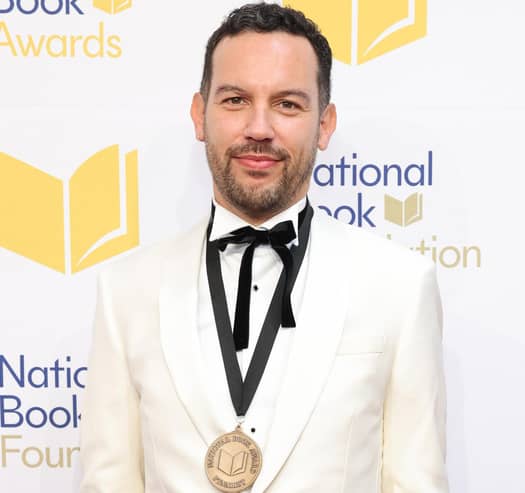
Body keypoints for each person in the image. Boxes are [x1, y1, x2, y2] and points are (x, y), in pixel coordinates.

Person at [79, 3, 448, 493]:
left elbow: (417, 482)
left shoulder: (400, 286)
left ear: (325, 124)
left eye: (287, 104)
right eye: (234, 100)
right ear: (199, 114)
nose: (259, 128)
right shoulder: (124, 289)